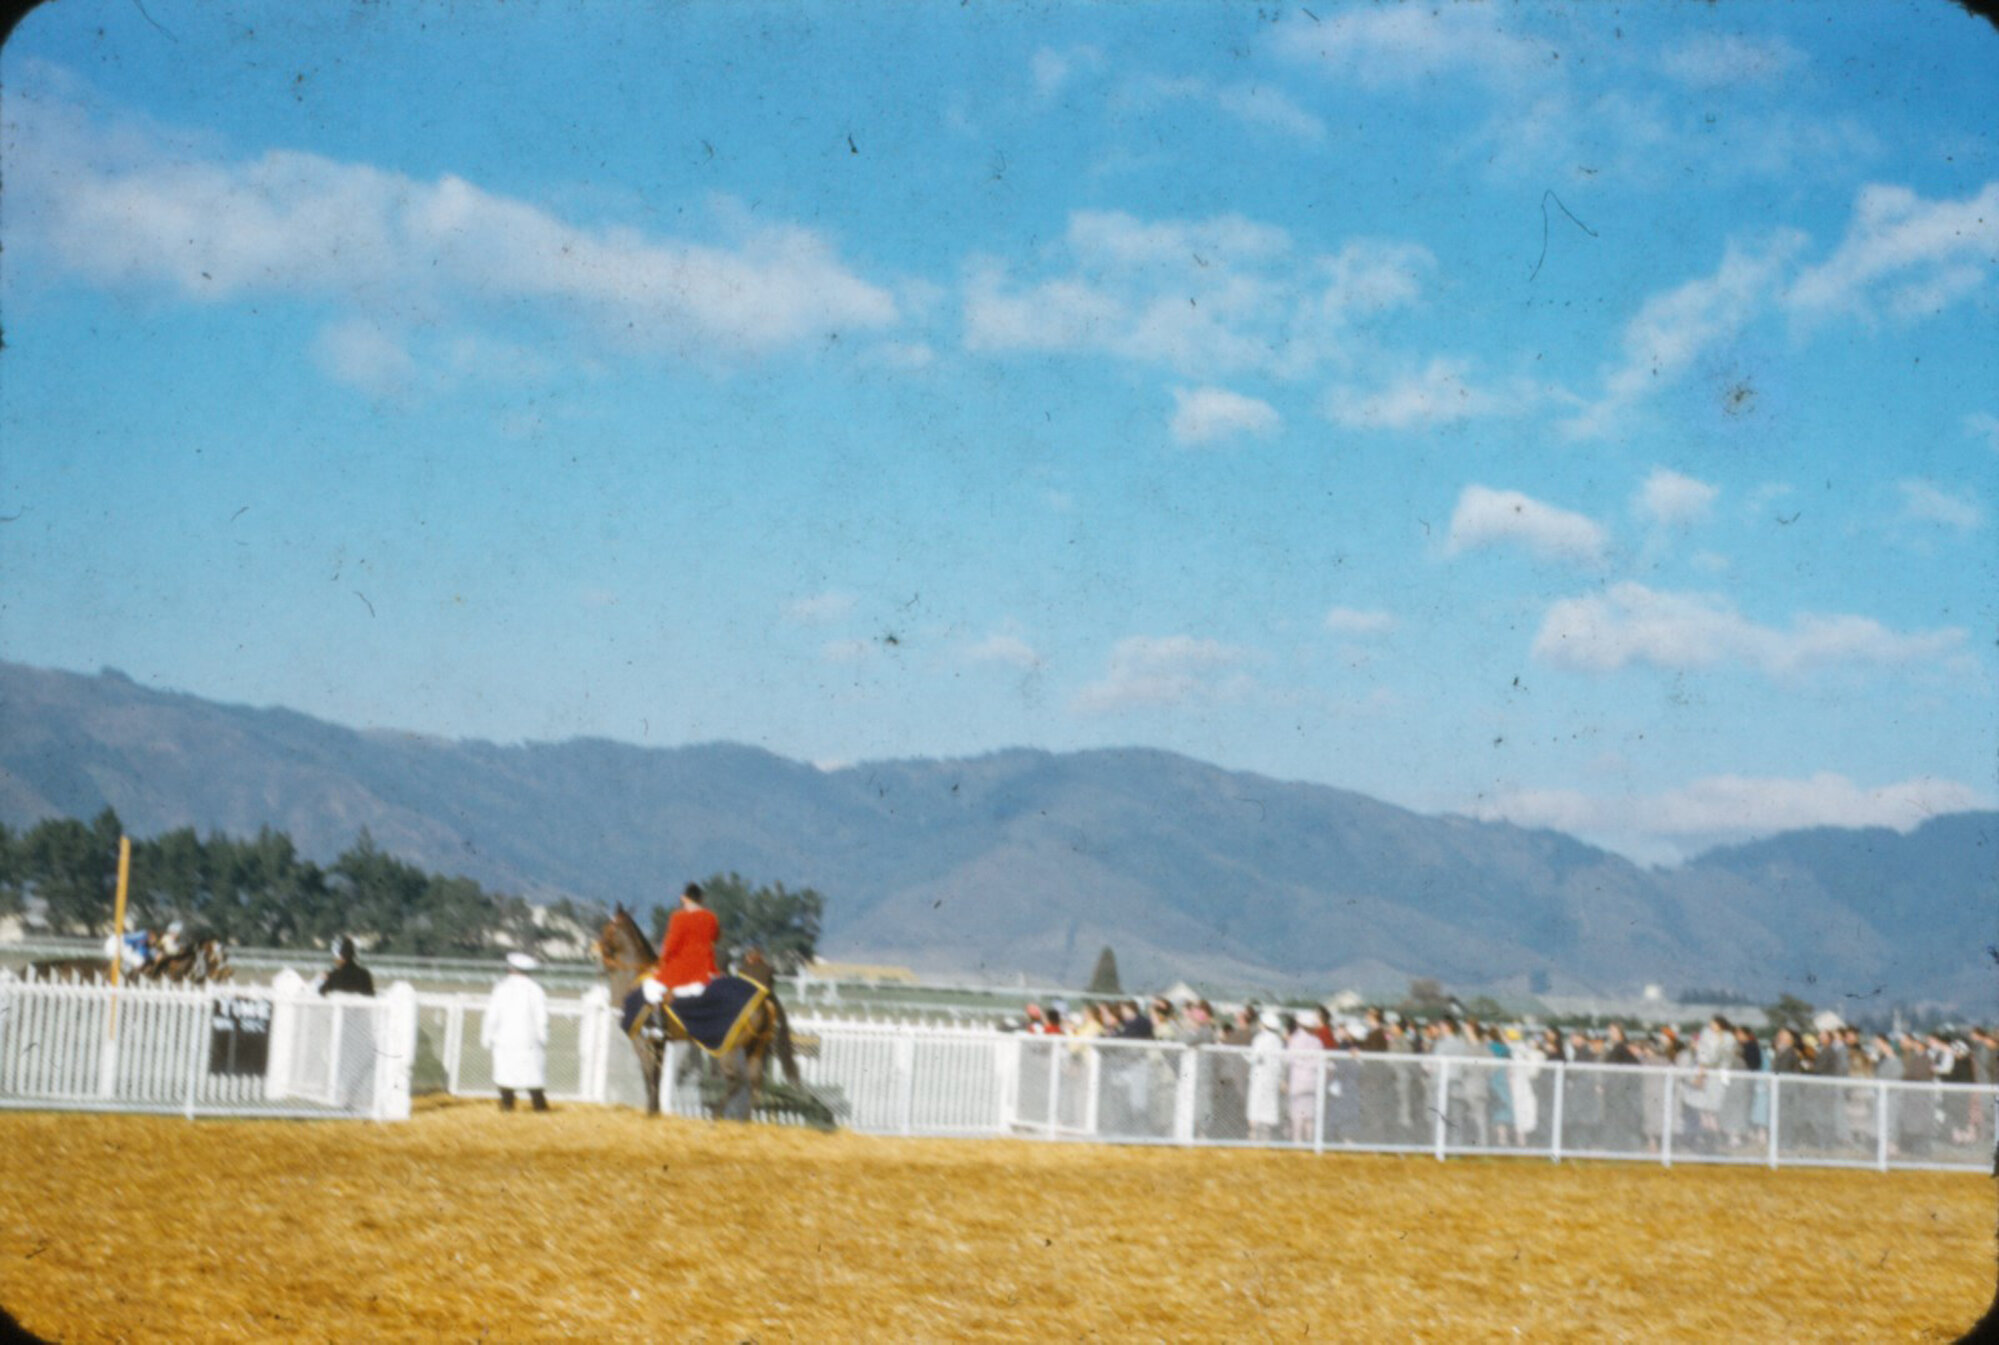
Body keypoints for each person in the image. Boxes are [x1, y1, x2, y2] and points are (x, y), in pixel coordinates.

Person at [482, 951, 551, 1112]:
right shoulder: (535, 989)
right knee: (533, 1072)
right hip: (529, 1038)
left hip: (504, 1037)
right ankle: (539, 1105)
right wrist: (543, 1036)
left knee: (505, 1071)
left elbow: (492, 1015)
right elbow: (541, 1017)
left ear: (511, 969)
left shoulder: (500, 988)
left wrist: (487, 1036)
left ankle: (507, 1104)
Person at [643, 882, 721, 1007]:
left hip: (682, 971)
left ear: (684, 898)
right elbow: (715, 938)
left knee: (649, 986)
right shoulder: (711, 918)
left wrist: (661, 963)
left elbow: (670, 946)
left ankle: (658, 1018)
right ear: (701, 899)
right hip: (706, 971)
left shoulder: (678, 918)